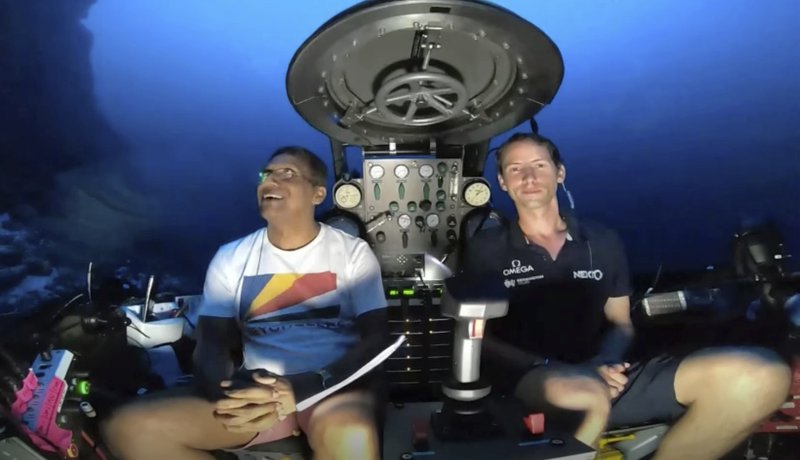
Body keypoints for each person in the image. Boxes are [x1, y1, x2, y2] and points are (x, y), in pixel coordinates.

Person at [459, 132, 791, 459]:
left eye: (539, 165)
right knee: (589, 396)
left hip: (607, 374)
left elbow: (621, 322)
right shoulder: (485, 249)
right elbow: (479, 336)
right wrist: (552, 367)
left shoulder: (603, 241)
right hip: (531, 379)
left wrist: (603, 362)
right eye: (515, 169)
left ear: (560, 173)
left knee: (763, 374)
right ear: (502, 182)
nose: (529, 176)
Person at [102, 146, 389, 460]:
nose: (270, 181)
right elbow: (212, 342)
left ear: (318, 194)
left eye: (287, 174)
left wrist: (304, 387)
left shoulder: (353, 253)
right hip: (258, 390)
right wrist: (228, 391)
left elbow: (377, 339)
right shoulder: (231, 257)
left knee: (350, 436)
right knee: (127, 428)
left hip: (330, 387)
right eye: (266, 174)